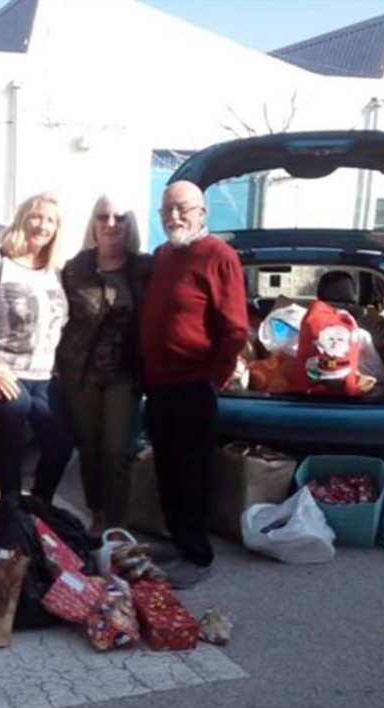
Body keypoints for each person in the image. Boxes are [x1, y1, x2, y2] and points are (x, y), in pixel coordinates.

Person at [140, 180, 248, 589]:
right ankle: (178, 541)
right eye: (166, 209)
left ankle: (197, 555)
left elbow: (235, 329)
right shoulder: (163, 255)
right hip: (159, 387)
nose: (173, 216)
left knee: (191, 474)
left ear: (203, 212)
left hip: (192, 387)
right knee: (166, 471)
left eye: (182, 208)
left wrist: (212, 380)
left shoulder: (220, 256)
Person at [55, 195, 152, 538]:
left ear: (131, 224)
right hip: (80, 372)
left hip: (124, 374)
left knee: (116, 449)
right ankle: (97, 515)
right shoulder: (75, 267)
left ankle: (117, 523)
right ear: (93, 224)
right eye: (103, 216)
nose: (111, 224)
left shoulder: (143, 268)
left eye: (119, 217)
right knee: (89, 447)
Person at [0, 191, 73, 505]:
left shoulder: (56, 270)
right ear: (22, 218)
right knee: (10, 441)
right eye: (36, 216)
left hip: (46, 375)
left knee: (59, 446)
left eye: (50, 220)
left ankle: (38, 507)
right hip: (7, 371)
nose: (43, 225)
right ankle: (10, 511)